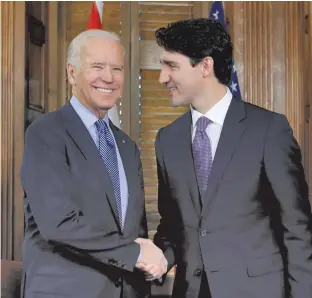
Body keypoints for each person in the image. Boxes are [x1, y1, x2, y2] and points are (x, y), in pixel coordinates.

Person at [151, 18, 312, 298]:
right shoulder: (167, 139)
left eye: (171, 65)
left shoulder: (268, 130)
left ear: (205, 65)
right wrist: (161, 257)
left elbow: (297, 229)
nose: (162, 77)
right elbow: (172, 225)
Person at [20, 29, 167, 298]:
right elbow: (58, 224)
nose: (108, 78)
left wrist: (153, 263)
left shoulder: (127, 148)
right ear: (72, 72)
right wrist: (135, 254)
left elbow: (135, 231)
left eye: (117, 68)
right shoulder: (46, 133)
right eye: (97, 66)